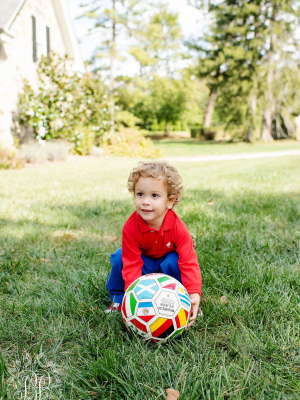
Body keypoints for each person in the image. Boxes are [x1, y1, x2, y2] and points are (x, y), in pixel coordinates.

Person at [105, 161, 202, 327]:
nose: (145, 202)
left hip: (166, 267)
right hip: (143, 265)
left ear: (170, 201)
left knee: (174, 259)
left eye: (154, 196)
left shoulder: (178, 228)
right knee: (119, 257)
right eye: (140, 194)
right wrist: (133, 298)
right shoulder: (130, 228)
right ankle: (119, 298)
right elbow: (131, 265)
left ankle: (182, 300)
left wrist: (193, 293)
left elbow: (189, 262)